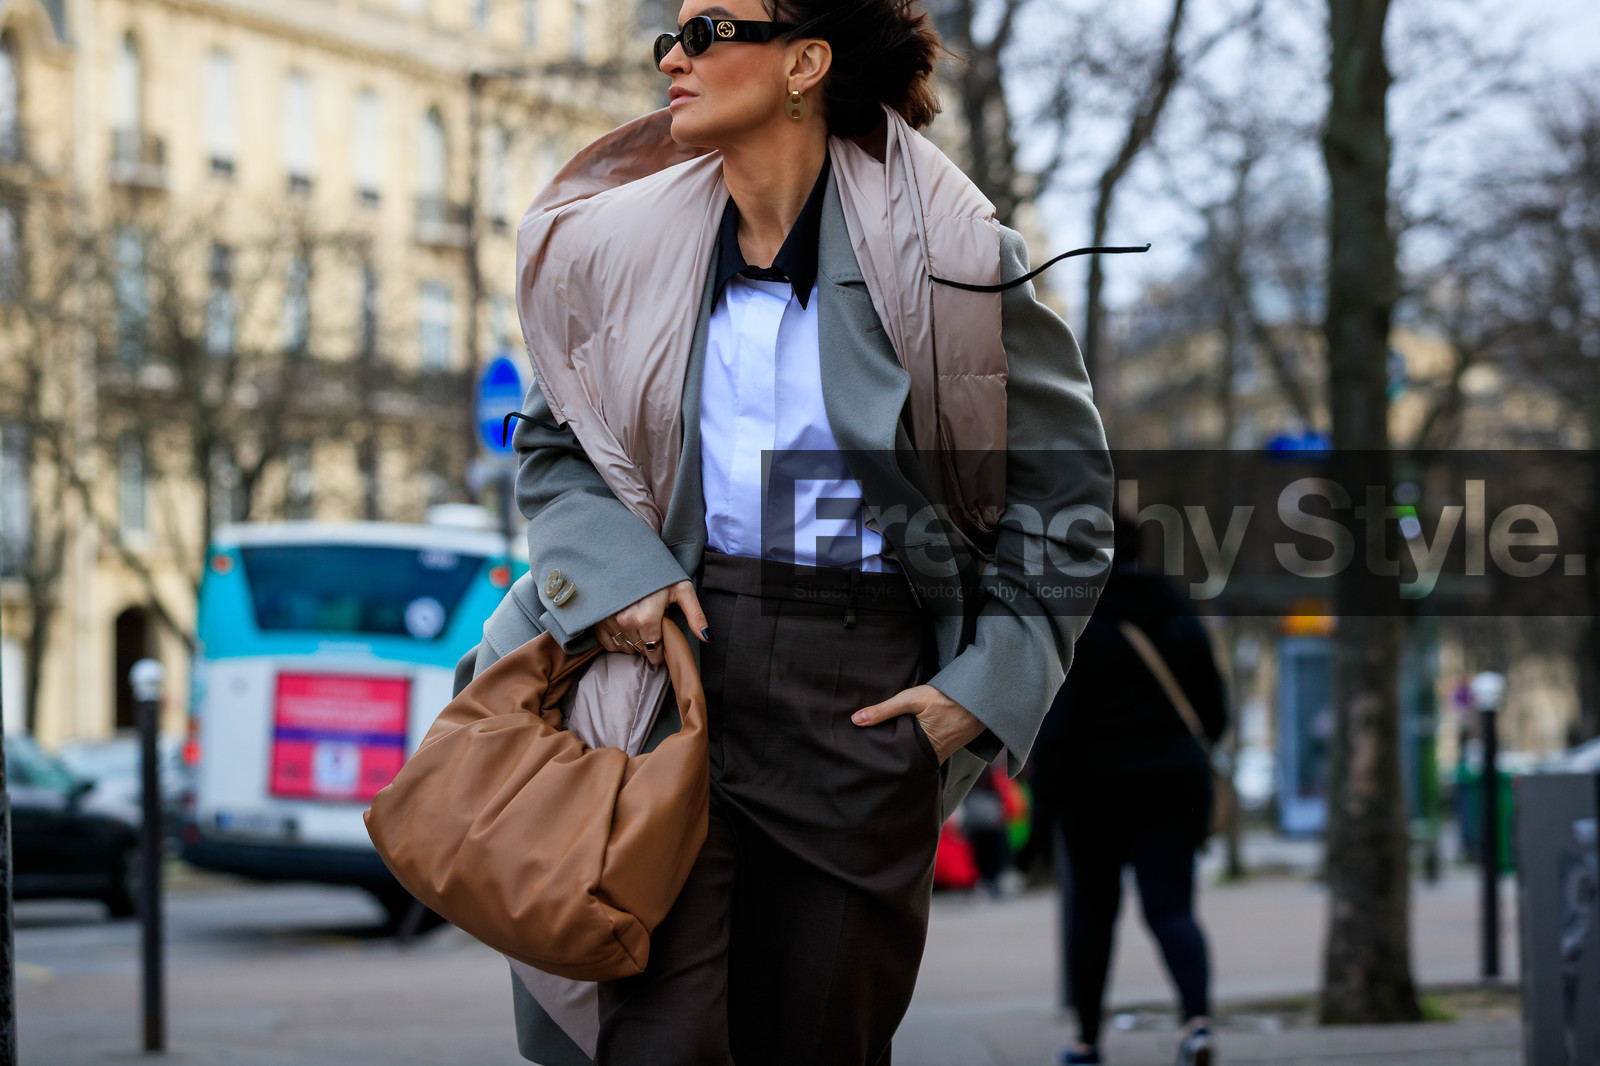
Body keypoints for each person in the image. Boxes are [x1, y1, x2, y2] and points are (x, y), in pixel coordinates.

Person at [474, 1, 1114, 1062]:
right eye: (669, 36)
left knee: (818, 1034)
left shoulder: (951, 260)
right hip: (666, 672)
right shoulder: (629, 251)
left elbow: (1068, 498)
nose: (673, 57)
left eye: (708, 30)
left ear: (805, 63)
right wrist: (621, 573)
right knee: (646, 1038)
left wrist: (981, 689)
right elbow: (553, 450)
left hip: (855, 695)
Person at [1030, 519, 1227, 1066]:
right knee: (1172, 907)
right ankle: (1197, 1023)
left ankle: (1087, 1042)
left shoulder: (1076, 617)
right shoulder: (1176, 609)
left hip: (1093, 789)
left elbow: (1056, 727)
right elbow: (1215, 708)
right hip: (1174, 778)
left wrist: (1043, 808)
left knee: (1092, 912)